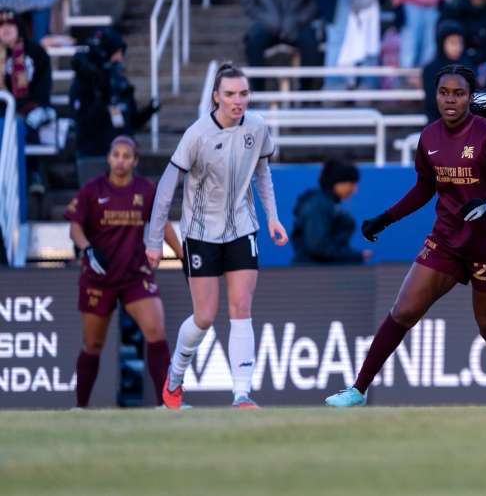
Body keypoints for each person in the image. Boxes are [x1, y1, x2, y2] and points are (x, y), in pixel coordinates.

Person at [326, 65, 486, 407]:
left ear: (469, 96)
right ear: (435, 95)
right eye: (444, 93)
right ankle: (358, 390)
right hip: (447, 241)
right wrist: (385, 219)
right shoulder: (429, 138)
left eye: (458, 93)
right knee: (403, 311)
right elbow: (424, 189)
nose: (450, 100)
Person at [146, 64, 289, 409]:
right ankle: (176, 377)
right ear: (215, 97)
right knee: (205, 316)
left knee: (241, 307)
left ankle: (241, 394)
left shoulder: (257, 126)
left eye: (243, 94)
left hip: (242, 227)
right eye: (229, 94)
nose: (237, 101)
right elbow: (167, 187)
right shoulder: (197, 134)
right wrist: (154, 239)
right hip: (200, 233)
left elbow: (262, 172)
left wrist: (272, 217)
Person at [65, 136, 183, 408]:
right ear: (108, 158)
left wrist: (181, 256)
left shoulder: (145, 190)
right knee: (92, 344)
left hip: (134, 275)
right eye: (115, 154)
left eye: (126, 156)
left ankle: (168, 404)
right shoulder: (92, 190)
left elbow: (161, 225)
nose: (120, 160)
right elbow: (74, 226)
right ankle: (80, 407)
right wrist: (87, 248)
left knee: (156, 331)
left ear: (135, 161)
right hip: (98, 276)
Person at [70, 27, 158, 186]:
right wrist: (103, 96)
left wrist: (149, 111)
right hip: (94, 157)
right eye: (116, 53)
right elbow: (85, 121)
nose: (120, 58)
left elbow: (130, 121)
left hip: (124, 157)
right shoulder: (84, 82)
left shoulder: (119, 80)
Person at [0, 7, 52, 191]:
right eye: (1, 25)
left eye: (10, 24)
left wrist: (22, 107)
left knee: (27, 122)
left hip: (33, 106)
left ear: (19, 27)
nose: (5, 29)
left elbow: (43, 87)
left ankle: (33, 174)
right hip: (3, 110)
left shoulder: (36, 52)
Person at [292, 159, 369, 265]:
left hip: (324, 274)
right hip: (314, 276)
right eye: (352, 183)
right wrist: (354, 256)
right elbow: (317, 246)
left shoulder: (326, 203)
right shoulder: (318, 205)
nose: (354, 189)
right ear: (338, 182)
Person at [422, 20, 471, 121]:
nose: (457, 47)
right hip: (438, 125)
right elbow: (432, 103)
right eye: (452, 42)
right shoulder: (431, 69)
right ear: (442, 44)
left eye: (459, 42)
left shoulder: (468, 66)